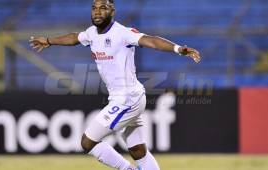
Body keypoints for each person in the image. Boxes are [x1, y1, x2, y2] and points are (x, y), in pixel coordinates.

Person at [30, 0, 201, 169]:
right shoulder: (91, 33)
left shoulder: (123, 33)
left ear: (112, 12)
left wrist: (178, 49)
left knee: (87, 142)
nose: (97, 12)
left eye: (103, 8)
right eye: (94, 8)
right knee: (137, 150)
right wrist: (48, 40)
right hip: (124, 98)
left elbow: (151, 41)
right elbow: (74, 37)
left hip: (127, 99)